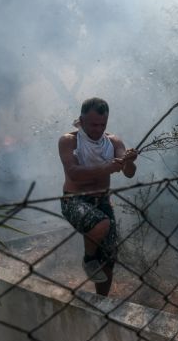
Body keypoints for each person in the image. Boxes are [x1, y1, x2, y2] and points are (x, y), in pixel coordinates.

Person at [58, 97, 137, 296]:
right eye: (93, 124)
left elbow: (129, 172)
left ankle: (102, 299)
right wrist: (106, 168)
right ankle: (88, 259)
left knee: (109, 259)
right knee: (101, 224)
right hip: (74, 200)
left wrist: (129, 160)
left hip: (102, 201)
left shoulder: (113, 141)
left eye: (103, 124)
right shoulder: (69, 140)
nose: (98, 129)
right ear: (81, 120)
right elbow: (74, 172)